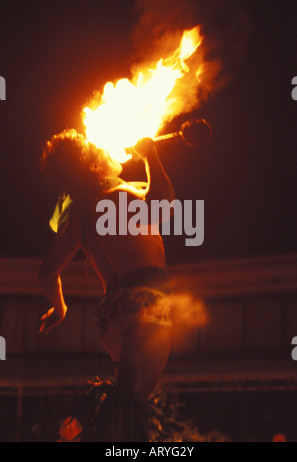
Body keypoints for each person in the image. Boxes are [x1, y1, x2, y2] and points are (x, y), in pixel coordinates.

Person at [39, 129, 175, 442]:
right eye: (98, 150)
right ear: (92, 166)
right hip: (144, 305)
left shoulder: (80, 216)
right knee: (128, 409)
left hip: (112, 316)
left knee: (127, 401)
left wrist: (59, 308)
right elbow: (164, 203)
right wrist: (151, 156)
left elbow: (47, 273)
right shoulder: (118, 197)